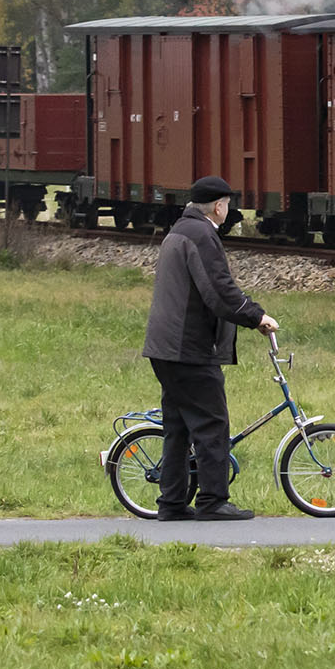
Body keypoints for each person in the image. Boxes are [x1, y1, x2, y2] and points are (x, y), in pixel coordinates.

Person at [140, 175, 277, 521]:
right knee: (211, 423)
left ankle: (171, 503)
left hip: (166, 346)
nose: (228, 211)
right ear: (219, 206)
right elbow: (218, 291)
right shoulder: (201, 235)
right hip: (188, 347)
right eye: (228, 205)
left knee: (179, 426)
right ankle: (213, 500)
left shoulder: (180, 230)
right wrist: (257, 316)